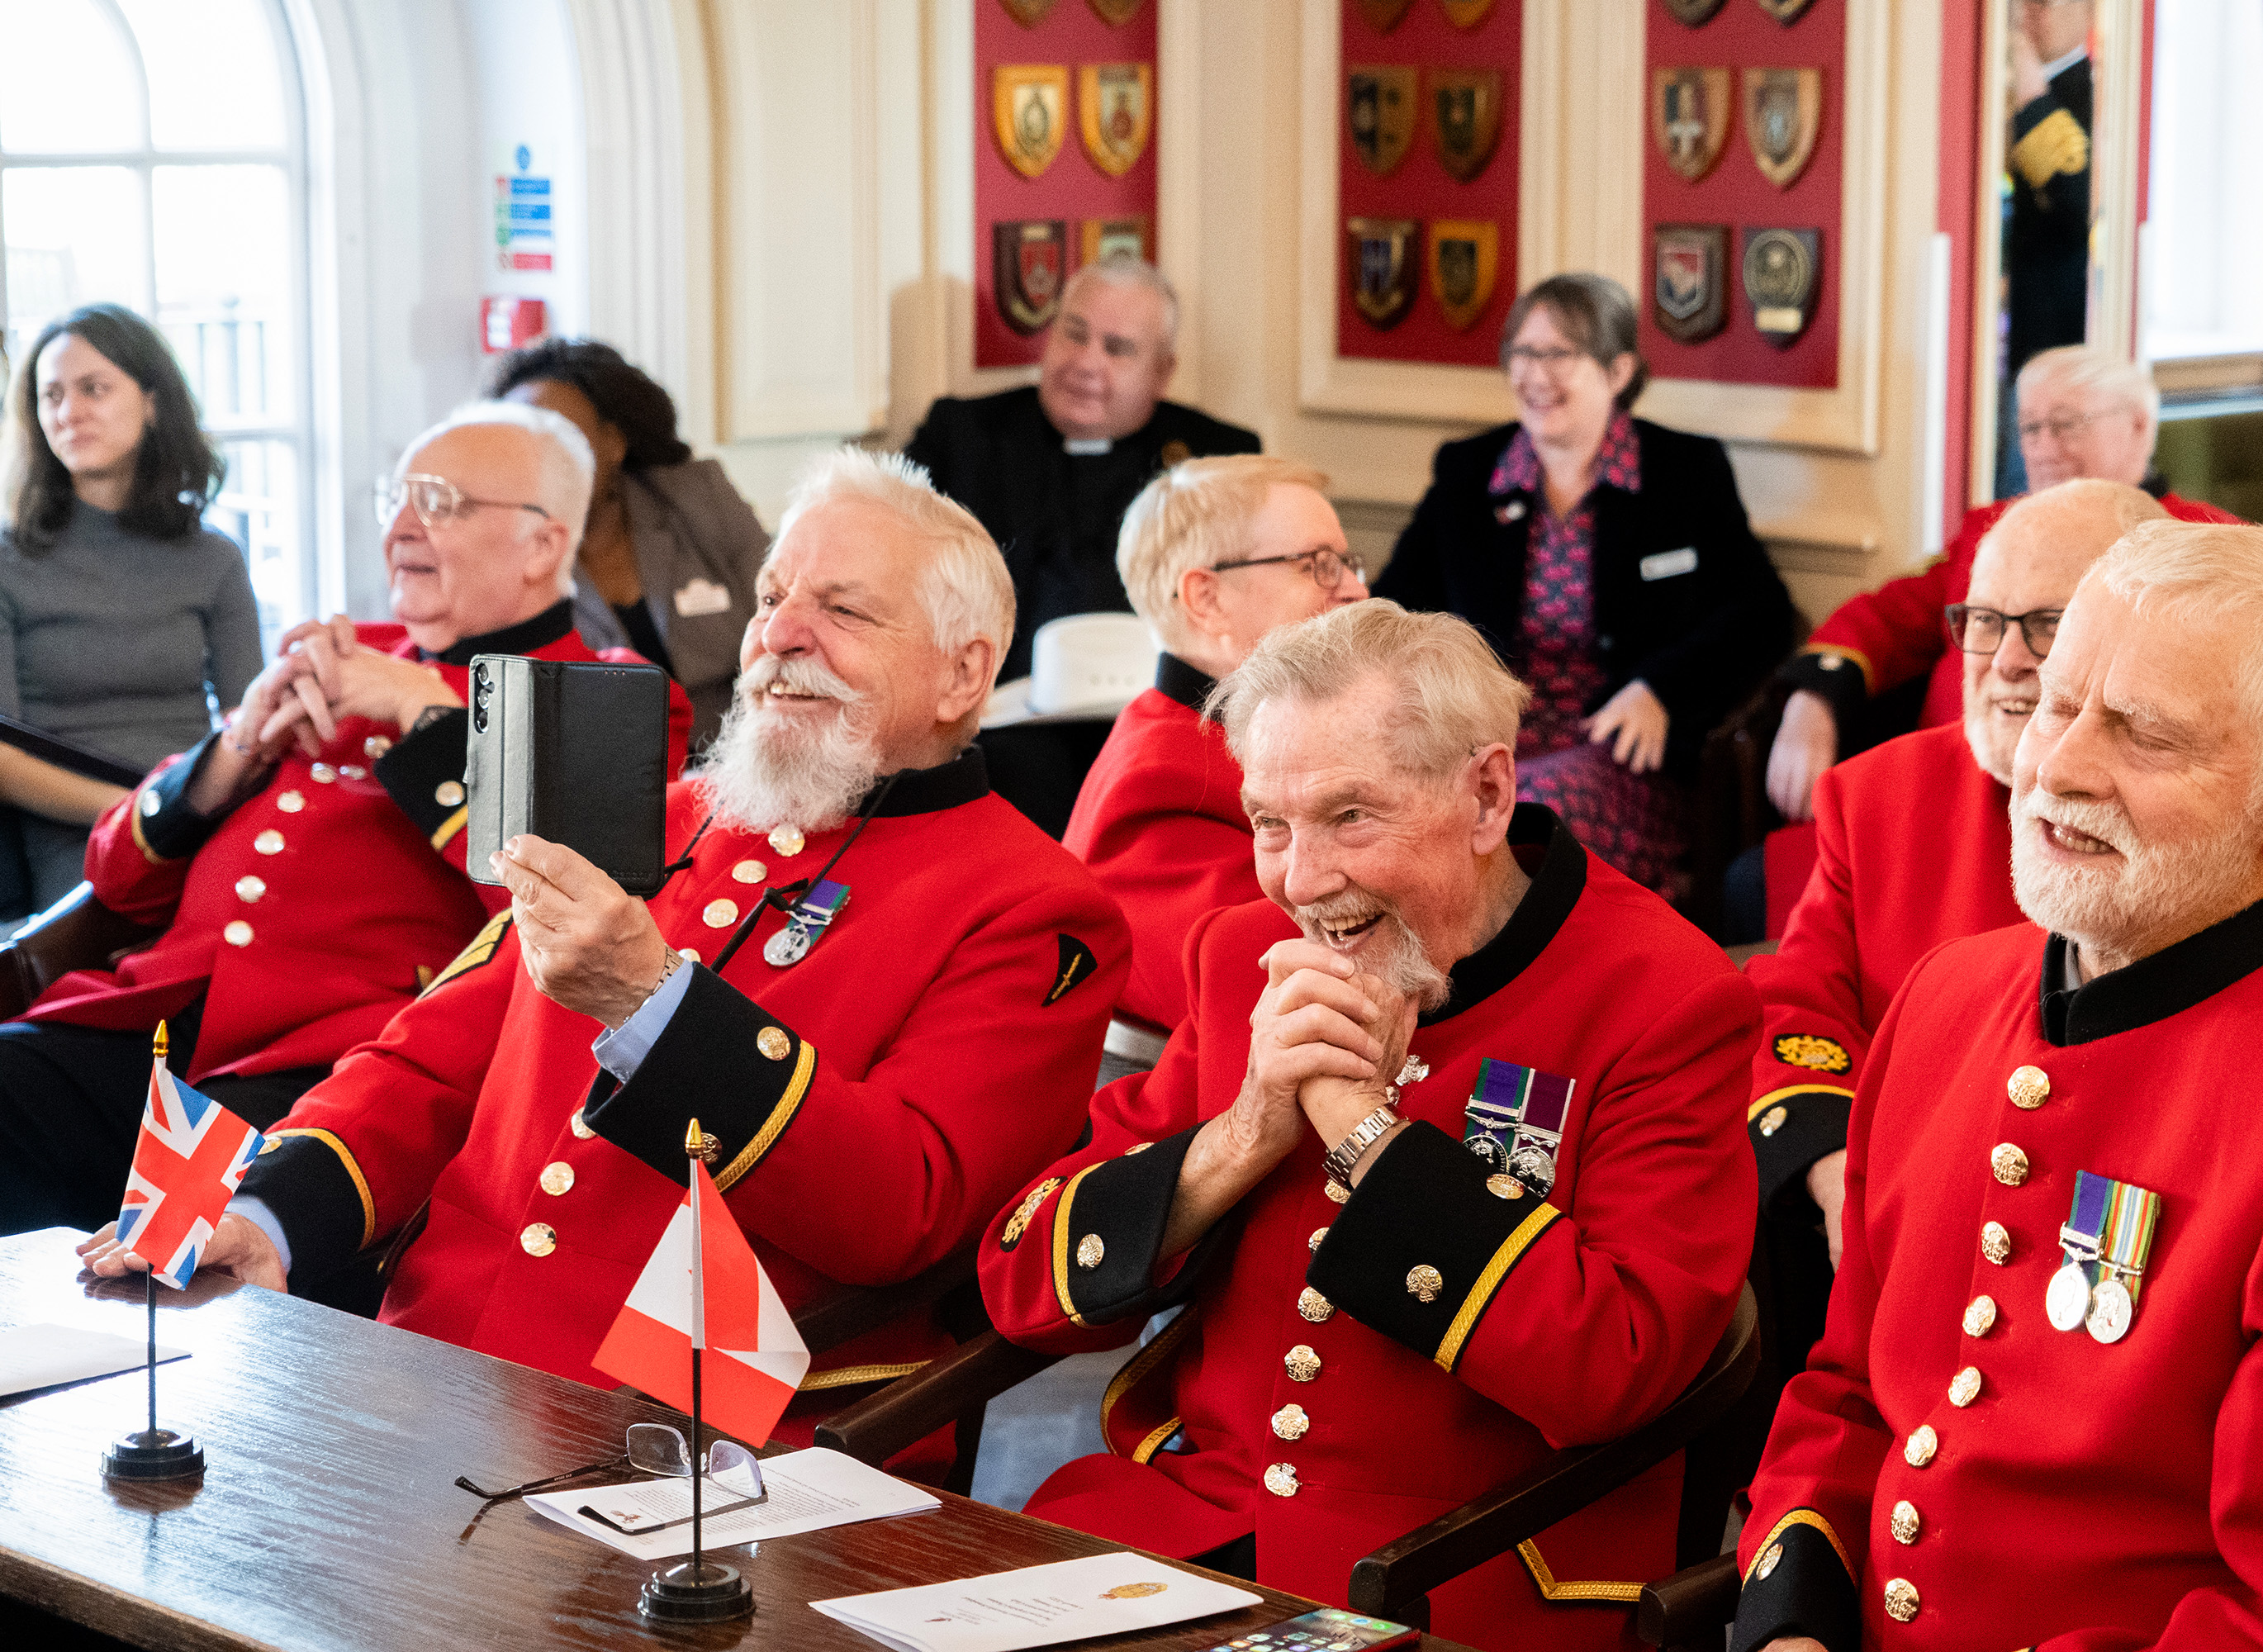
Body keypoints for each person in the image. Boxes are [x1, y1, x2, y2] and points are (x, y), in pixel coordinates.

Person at [83, 449, 1129, 1453]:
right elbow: (427, 1061)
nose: (779, 635)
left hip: (703, 1442)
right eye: (770, 597)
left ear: (964, 673)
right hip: (436, 1360)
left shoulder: (1035, 907)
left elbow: (904, 1207)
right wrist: (272, 1215)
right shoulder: (654, 819)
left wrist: (652, 1001)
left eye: (843, 610)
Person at [1734, 520, 2263, 1652]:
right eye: (2053, 706)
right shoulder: (1942, 1001)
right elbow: (1848, 1399)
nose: (2059, 766)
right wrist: (1791, 1621)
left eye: (2143, 735)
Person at [980, 600, 1758, 1652]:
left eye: (1352, 816)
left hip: (1456, 1575)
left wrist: (1364, 1135)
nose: (1301, 881)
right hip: (1188, 1539)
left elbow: (1616, 1366)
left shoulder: (1662, 994)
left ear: (1486, 794)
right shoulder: (1243, 952)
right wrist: (1243, 1132)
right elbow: (1022, 1278)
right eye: (1269, 822)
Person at [0, 402, 691, 1241]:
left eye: (438, 502)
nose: (400, 526)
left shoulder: (608, 697)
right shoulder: (347, 652)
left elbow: (557, 932)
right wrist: (231, 750)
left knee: (163, 1262)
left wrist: (432, 721)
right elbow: (116, 874)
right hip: (143, 1023)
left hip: (316, 1070)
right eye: (394, 500)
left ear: (543, 542)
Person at [1377, 273, 1793, 899]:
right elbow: (1392, 607)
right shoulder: (1468, 473)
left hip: (1621, 759)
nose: (1534, 375)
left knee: (1513, 823)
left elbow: (1762, 614)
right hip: (1478, 747)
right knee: (1408, 818)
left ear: (1618, 371)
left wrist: (1660, 690)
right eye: (1521, 352)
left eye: (1559, 354)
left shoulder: (1684, 473)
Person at [1767, 349, 2236, 831]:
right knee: (1756, 880)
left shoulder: (2212, 545)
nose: (2044, 448)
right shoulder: (1989, 530)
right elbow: (1887, 619)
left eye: (2066, 425)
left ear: (2138, 426)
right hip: (1940, 794)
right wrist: (1814, 702)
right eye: (2030, 428)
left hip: (2086, 815)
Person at [1064, 457, 1369, 1084]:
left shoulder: (1228, 739)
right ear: (1207, 597)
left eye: (1349, 563)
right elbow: (1275, 988)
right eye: (1319, 565)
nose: (1356, 590)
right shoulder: (1161, 783)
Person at [0, 304, 263, 910]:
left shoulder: (215, 558)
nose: (69, 413)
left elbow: (248, 727)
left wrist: (186, 807)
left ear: (151, 401)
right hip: (77, 831)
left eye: (94, 389)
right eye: (53, 396)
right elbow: (5, 761)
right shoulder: (9, 561)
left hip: (199, 811)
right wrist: (149, 810)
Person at [905, 255, 1260, 686]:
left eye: (1117, 349)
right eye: (1074, 336)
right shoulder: (962, 437)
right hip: (993, 714)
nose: (1086, 363)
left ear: (1162, 373)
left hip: (1147, 710)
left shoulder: (1220, 459)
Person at [490, 337, 772, 748]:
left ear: (613, 442)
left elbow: (777, 621)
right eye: (518, 444)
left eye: (560, 439)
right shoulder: (499, 552)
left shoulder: (696, 498)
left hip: (741, 754)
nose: (539, 462)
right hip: (602, 774)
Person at [2003, 0, 2094, 382]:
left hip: (2058, 323)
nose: (2026, 13)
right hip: (2013, 317)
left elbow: (2074, 198)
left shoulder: (2093, 89)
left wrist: (2031, 98)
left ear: (2086, 12)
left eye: (2042, 3)